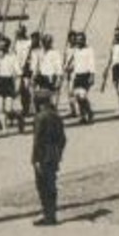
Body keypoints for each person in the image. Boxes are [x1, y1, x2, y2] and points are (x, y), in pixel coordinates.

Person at [31, 93, 67, 226]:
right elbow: (63, 139)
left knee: (42, 185)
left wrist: (35, 159)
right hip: (53, 154)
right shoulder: (56, 116)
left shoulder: (39, 117)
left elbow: (37, 140)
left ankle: (48, 215)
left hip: (42, 155)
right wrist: (59, 153)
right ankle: (52, 214)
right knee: (51, 184)